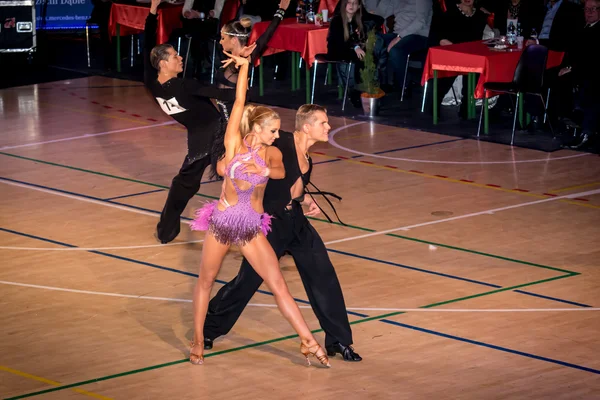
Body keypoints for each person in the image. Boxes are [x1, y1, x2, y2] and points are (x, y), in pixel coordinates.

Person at [188, 52, 330, 367]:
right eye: (273, 131)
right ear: (256, 128)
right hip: (223, 221)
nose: (278, 136)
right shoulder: (234, 145)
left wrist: (265, 171)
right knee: (205, 281)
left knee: (277, 282)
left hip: (251, 226)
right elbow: (239, 102)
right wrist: (244, 68)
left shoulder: (271, 154)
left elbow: (280, 172)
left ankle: (308, 341)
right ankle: (198, 341)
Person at [203, 104, 362, 362]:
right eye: (323, 123)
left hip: (295, 221)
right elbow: (252, 142)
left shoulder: (307, 155)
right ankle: (209, 329)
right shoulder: (281, 141)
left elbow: (292, 183)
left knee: (324, 276)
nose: (329, 127)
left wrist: (305, 198)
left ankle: (339, 341)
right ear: (306, 127)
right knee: (248, 282)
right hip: (270, 225)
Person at [150, 0, 291, 244]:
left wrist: (280, 11)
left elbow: (263, 41)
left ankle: (268, 231)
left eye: (223, 38)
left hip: (233, 131)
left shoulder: (237, 64)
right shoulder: (234, 62)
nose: (220, 42)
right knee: (200, 179)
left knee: (257, 179)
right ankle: (171, 227)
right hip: (224, 133)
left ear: (232, 39)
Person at [144, 0, 224, 244]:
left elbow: (147, 43)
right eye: (175, 56)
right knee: (187, 182)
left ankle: (167, 229)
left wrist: (152, 12)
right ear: (163, 63)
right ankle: (167, 228)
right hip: (210, 133)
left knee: (190, 182)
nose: (180, 58)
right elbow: (221, 93)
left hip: (211, 132)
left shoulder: (151, 81)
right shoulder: (184, 85)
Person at [327, 0, 385, 106]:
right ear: (344, 4)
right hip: (338, 49)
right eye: (349, 2)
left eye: (354, 3)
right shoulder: (337, 20)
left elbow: (379, 19)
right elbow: (341, 41)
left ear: (359, 6)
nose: (351, 5)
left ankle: (371, 89)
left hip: (352, 49)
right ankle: (355, 91)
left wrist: (369, 36)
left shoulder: (358, 19)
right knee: (359, 56)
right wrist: (356, 46)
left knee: (371, 55)